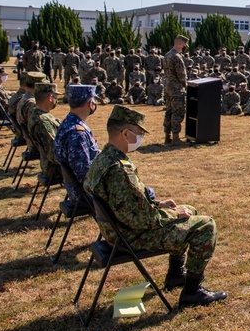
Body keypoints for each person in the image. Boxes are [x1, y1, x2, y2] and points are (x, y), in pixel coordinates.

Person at [84, 105, 227, 305]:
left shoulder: (103, 159)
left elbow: (126, 204)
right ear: (125, 134)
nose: (140, 139)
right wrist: (172, 214)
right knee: (205, 225)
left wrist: (159, 204)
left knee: (189, 209)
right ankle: (192, 292)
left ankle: (176, 274)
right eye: (139, 134)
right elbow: (141, 220)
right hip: (131, 236)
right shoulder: (119, 170)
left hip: (118, 230)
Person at [53, 85, 101, 208]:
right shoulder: (77, 133)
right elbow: (83, 174)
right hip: (84, 194)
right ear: (90, 103)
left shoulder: (69, 122)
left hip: (79, 190)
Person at [162, 35, 189, 144]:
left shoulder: (167, 55)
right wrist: (185, 85)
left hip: (168, 87)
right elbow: (181, 75)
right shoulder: (177, 57)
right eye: (184, 45)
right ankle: (176, 137)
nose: (184, 47)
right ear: (179, 44)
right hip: (176, 89)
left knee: (168, 111)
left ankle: (167, 136)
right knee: (178, 112)